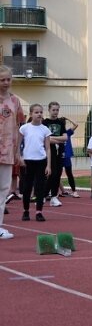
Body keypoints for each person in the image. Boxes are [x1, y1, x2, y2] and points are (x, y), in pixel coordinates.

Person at [0, 65, 25, 238]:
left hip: (8, 151)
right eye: (2, 80)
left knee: (3, 190)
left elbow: (18, 126)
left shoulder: (15, 101)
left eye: (8, 79)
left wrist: (17, 152)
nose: (6, 82)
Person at [18, 104, 51, 222]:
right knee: (27, 187)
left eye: (41, 112)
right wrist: (19, 157)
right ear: (31, 114)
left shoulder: (45, 129)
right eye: (36, 112)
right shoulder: (24, 128)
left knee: (40, 187)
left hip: (41, 160)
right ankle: (26, 211)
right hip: (27, 161)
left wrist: (48, 165)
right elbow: (18, 144)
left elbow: (48, 148)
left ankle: (39, 212)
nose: (39, 114)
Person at [42, 102, 67, 207]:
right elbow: (44, 138)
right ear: (49, 110)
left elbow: (65, 138)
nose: (55, 112)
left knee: (58, 174)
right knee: (51, 173)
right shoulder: (44, 122)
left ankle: (53, 197)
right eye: (53, 110)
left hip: (59, 151)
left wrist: (52, 139)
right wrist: (56, 140)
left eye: (57, 110)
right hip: (49, 150)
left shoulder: (61, 122)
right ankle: (44, 195)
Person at [59, 117, 80, 198]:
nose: (63, 125)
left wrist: (68, 118)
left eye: (64, 124)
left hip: (66, 157)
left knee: (69, 174)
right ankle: (59, 191)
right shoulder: (56, 134)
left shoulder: (68, 132)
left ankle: (74, 191)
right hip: (59, 156)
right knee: (57, 175)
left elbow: (76, 124)